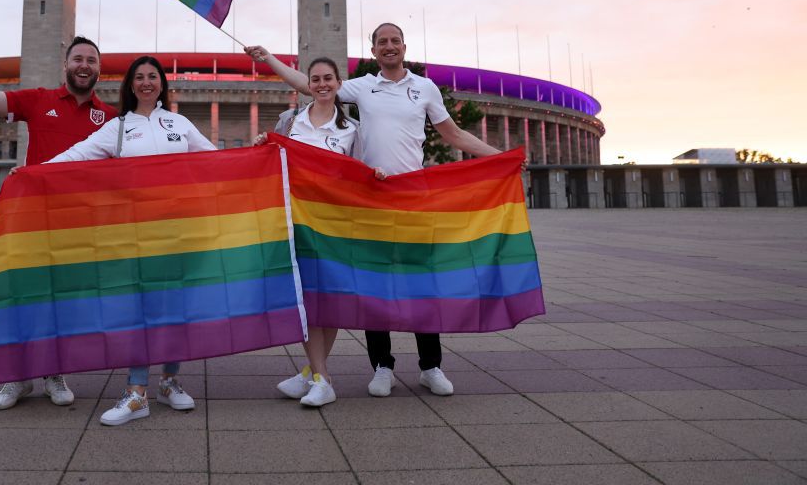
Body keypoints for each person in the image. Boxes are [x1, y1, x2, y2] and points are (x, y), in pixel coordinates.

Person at [246, 22, 506, 398]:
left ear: (404, 46)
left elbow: (454, 135)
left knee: (420, 283)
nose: (389, 46)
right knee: (373, 282)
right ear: (373, 51)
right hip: (370, 197)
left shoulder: (425, 88)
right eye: (381, 42)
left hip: (412, 196)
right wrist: (269, 58)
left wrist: (500, 157)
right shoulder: (362, 86)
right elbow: (311, 85)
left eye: (394, 41)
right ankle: (382, 366)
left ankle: (430, 366)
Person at [0, 29, 117, 410]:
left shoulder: (111, 118)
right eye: (78, 59)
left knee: (64, 301)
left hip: (79, 225)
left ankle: (54, 372)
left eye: (91, 61)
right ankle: (17, 377)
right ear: (66, 65)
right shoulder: (39, 100)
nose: (84, 66)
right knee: (24, 296)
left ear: (99, 69)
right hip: (34, 220)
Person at [47, 55, 215, 425]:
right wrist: (34, 172)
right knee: (140, 308)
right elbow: (78, 154)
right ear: (130, 85)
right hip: (136, 233)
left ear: (162, 83)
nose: (146, 82)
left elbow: (215, 160)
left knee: (175, 307)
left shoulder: (179, 123)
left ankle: (169, 382)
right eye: (139, 77)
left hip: (179, 231)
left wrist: (261, 154)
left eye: (153, 76)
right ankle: (136, 391)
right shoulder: (119, 127)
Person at [256, 56, 380, 408]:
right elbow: (274, 159)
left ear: (339, 84)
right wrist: (262, 144)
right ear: (307, 85)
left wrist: (376, 175)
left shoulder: (352, 129)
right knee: (306, 296)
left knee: (329, 297)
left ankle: (316, 374)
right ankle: (319, 375)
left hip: (334, 222)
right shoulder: (290, 121)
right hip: (297, 219)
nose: (322, 84)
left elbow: (360, 172)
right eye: (316, 79)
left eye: (328, 78)